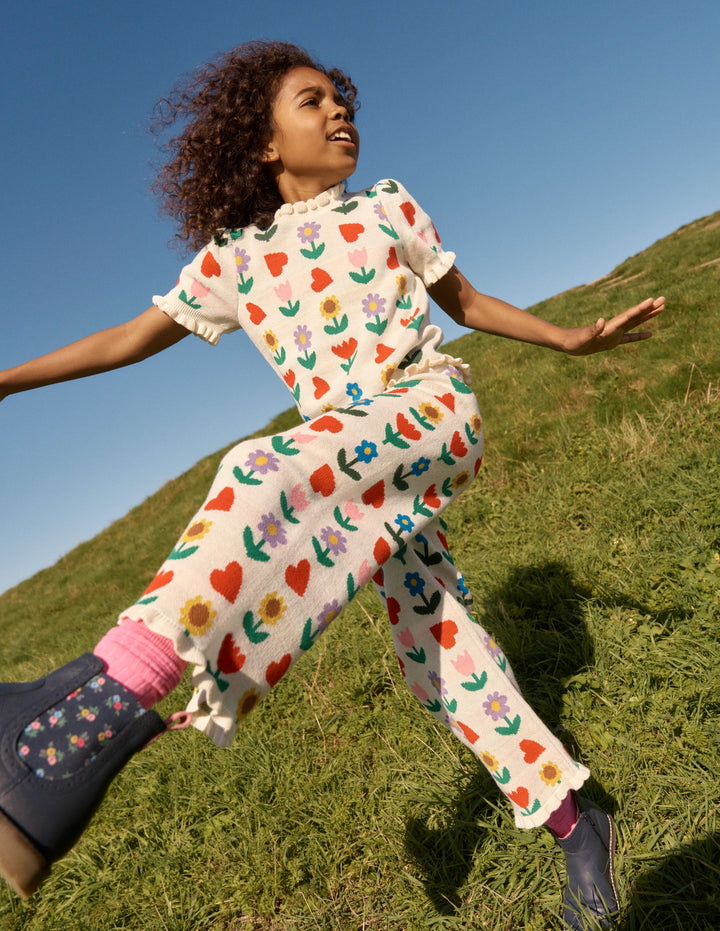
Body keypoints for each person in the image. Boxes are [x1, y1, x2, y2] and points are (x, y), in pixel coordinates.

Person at [0, 40, 663, 929]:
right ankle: (578, 823)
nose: (338, 111)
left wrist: (571, 337)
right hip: (350, 486)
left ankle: (91, 701)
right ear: (265, 142)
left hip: (424, 412)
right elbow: (126, 338)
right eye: (311, 102)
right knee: (438, 650)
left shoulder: (387, 206)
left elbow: (466, 303)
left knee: (256, 466)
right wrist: (7, 382)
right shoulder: (234, 259)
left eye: (339, 99)